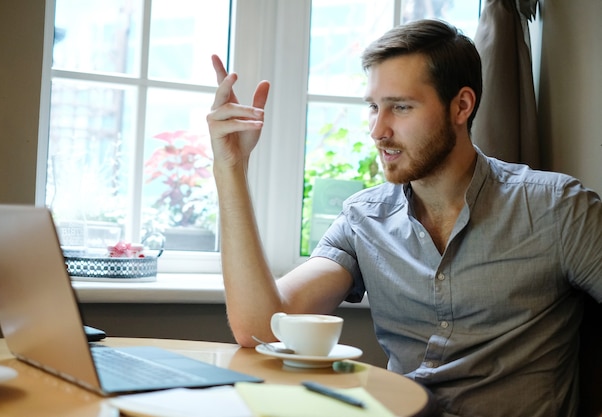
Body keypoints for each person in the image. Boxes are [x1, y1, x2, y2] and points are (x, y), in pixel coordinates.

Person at [206, 19, 602, 417]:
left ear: (461, 106)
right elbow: (261, 329)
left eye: (400, 107)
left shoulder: (558, 208)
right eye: (374, 108)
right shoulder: (365, 219)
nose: (378, 130)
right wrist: (231, 169)